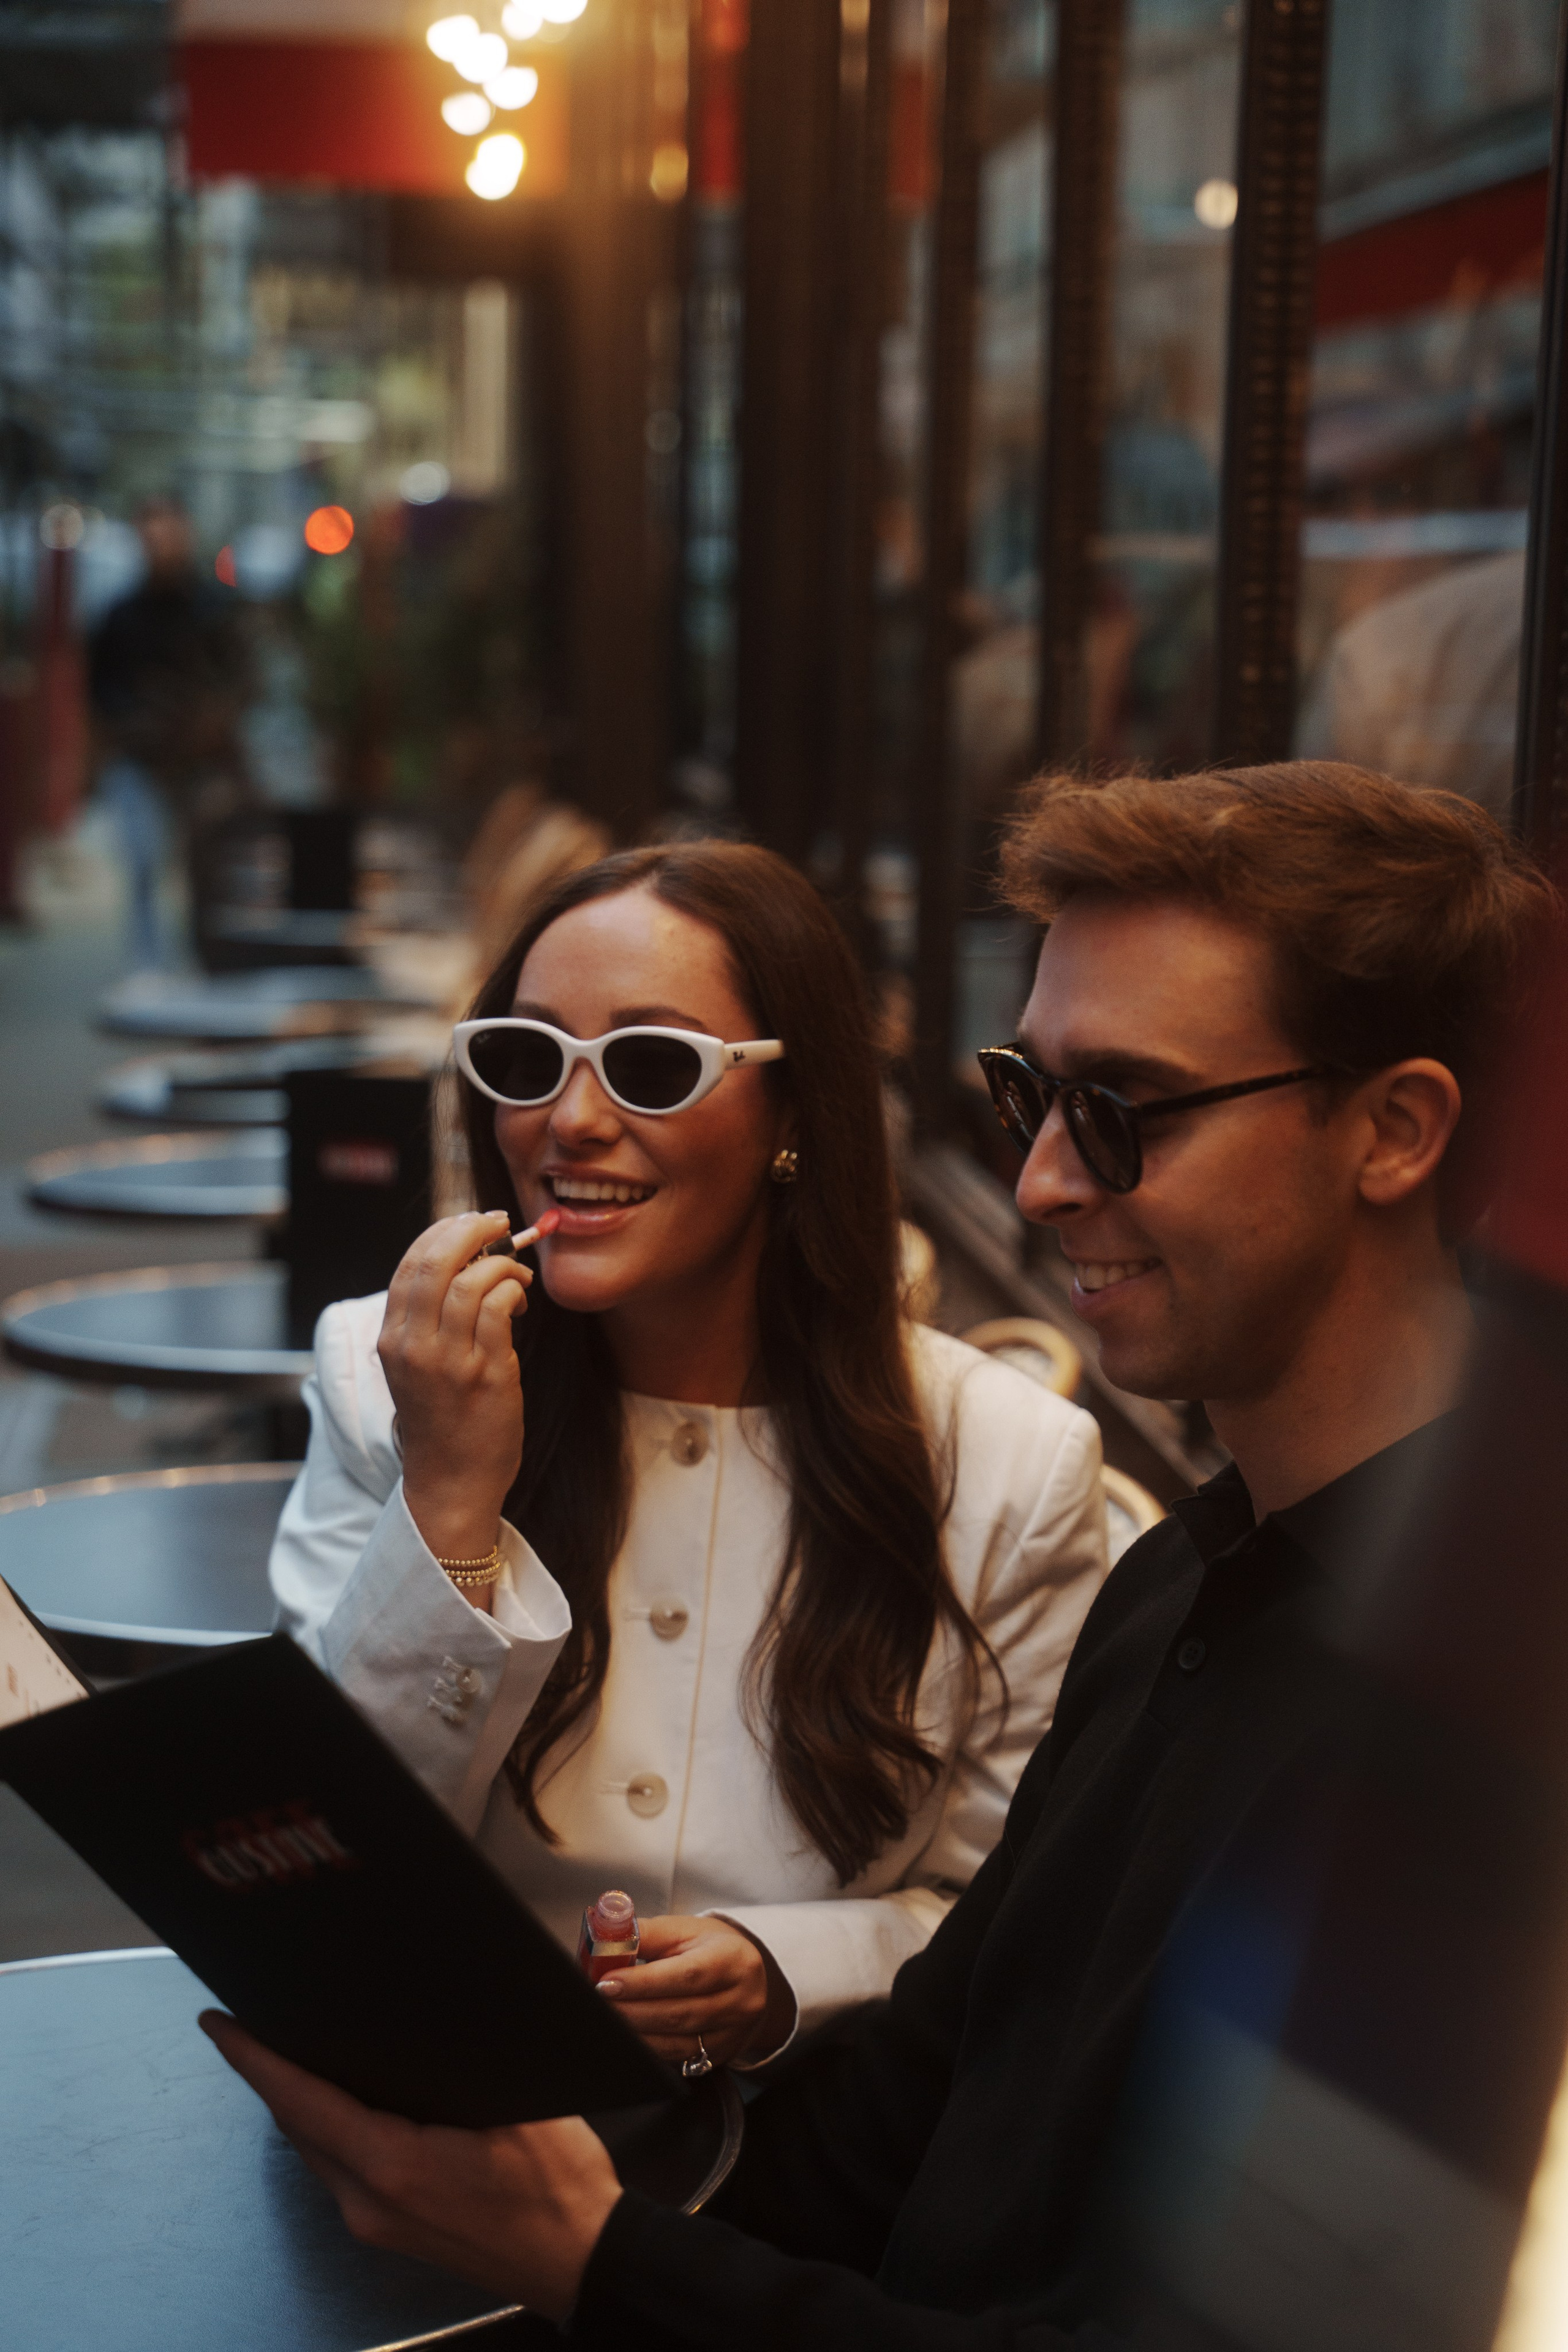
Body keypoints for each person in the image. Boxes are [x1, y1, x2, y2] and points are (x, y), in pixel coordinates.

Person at [213, 761, 1551, 2344]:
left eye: (1122, 1111)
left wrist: (596, 2258)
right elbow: (919, 2110)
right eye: (1028, 1096)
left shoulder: (1476, 1712)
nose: (1043, 1180)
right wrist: (554, 2227)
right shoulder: (1195, 1572)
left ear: (1395, 1131)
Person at [268, 839, 1107, 2073]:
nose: (571, 1120)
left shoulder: (1004, 1463)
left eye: (652, 1066)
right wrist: (448, 1499)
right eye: (526, 1056)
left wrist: (787, 1971)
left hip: (812, 2171)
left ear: (790, 1113)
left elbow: (1010, 1913)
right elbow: (318, 1867)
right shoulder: (381, 1380)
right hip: (450, 2116)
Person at [87, 496, 247, 967]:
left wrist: (214, 720)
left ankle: (203, 963)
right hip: (139, 759)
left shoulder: (214, 609)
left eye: (168, 532)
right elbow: (100, 690)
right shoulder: (120, 614)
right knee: (141, 864)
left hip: (200, 762)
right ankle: (147, 967)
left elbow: (241, 681)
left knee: (206, 868)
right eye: (150, 535)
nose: (159, 544)